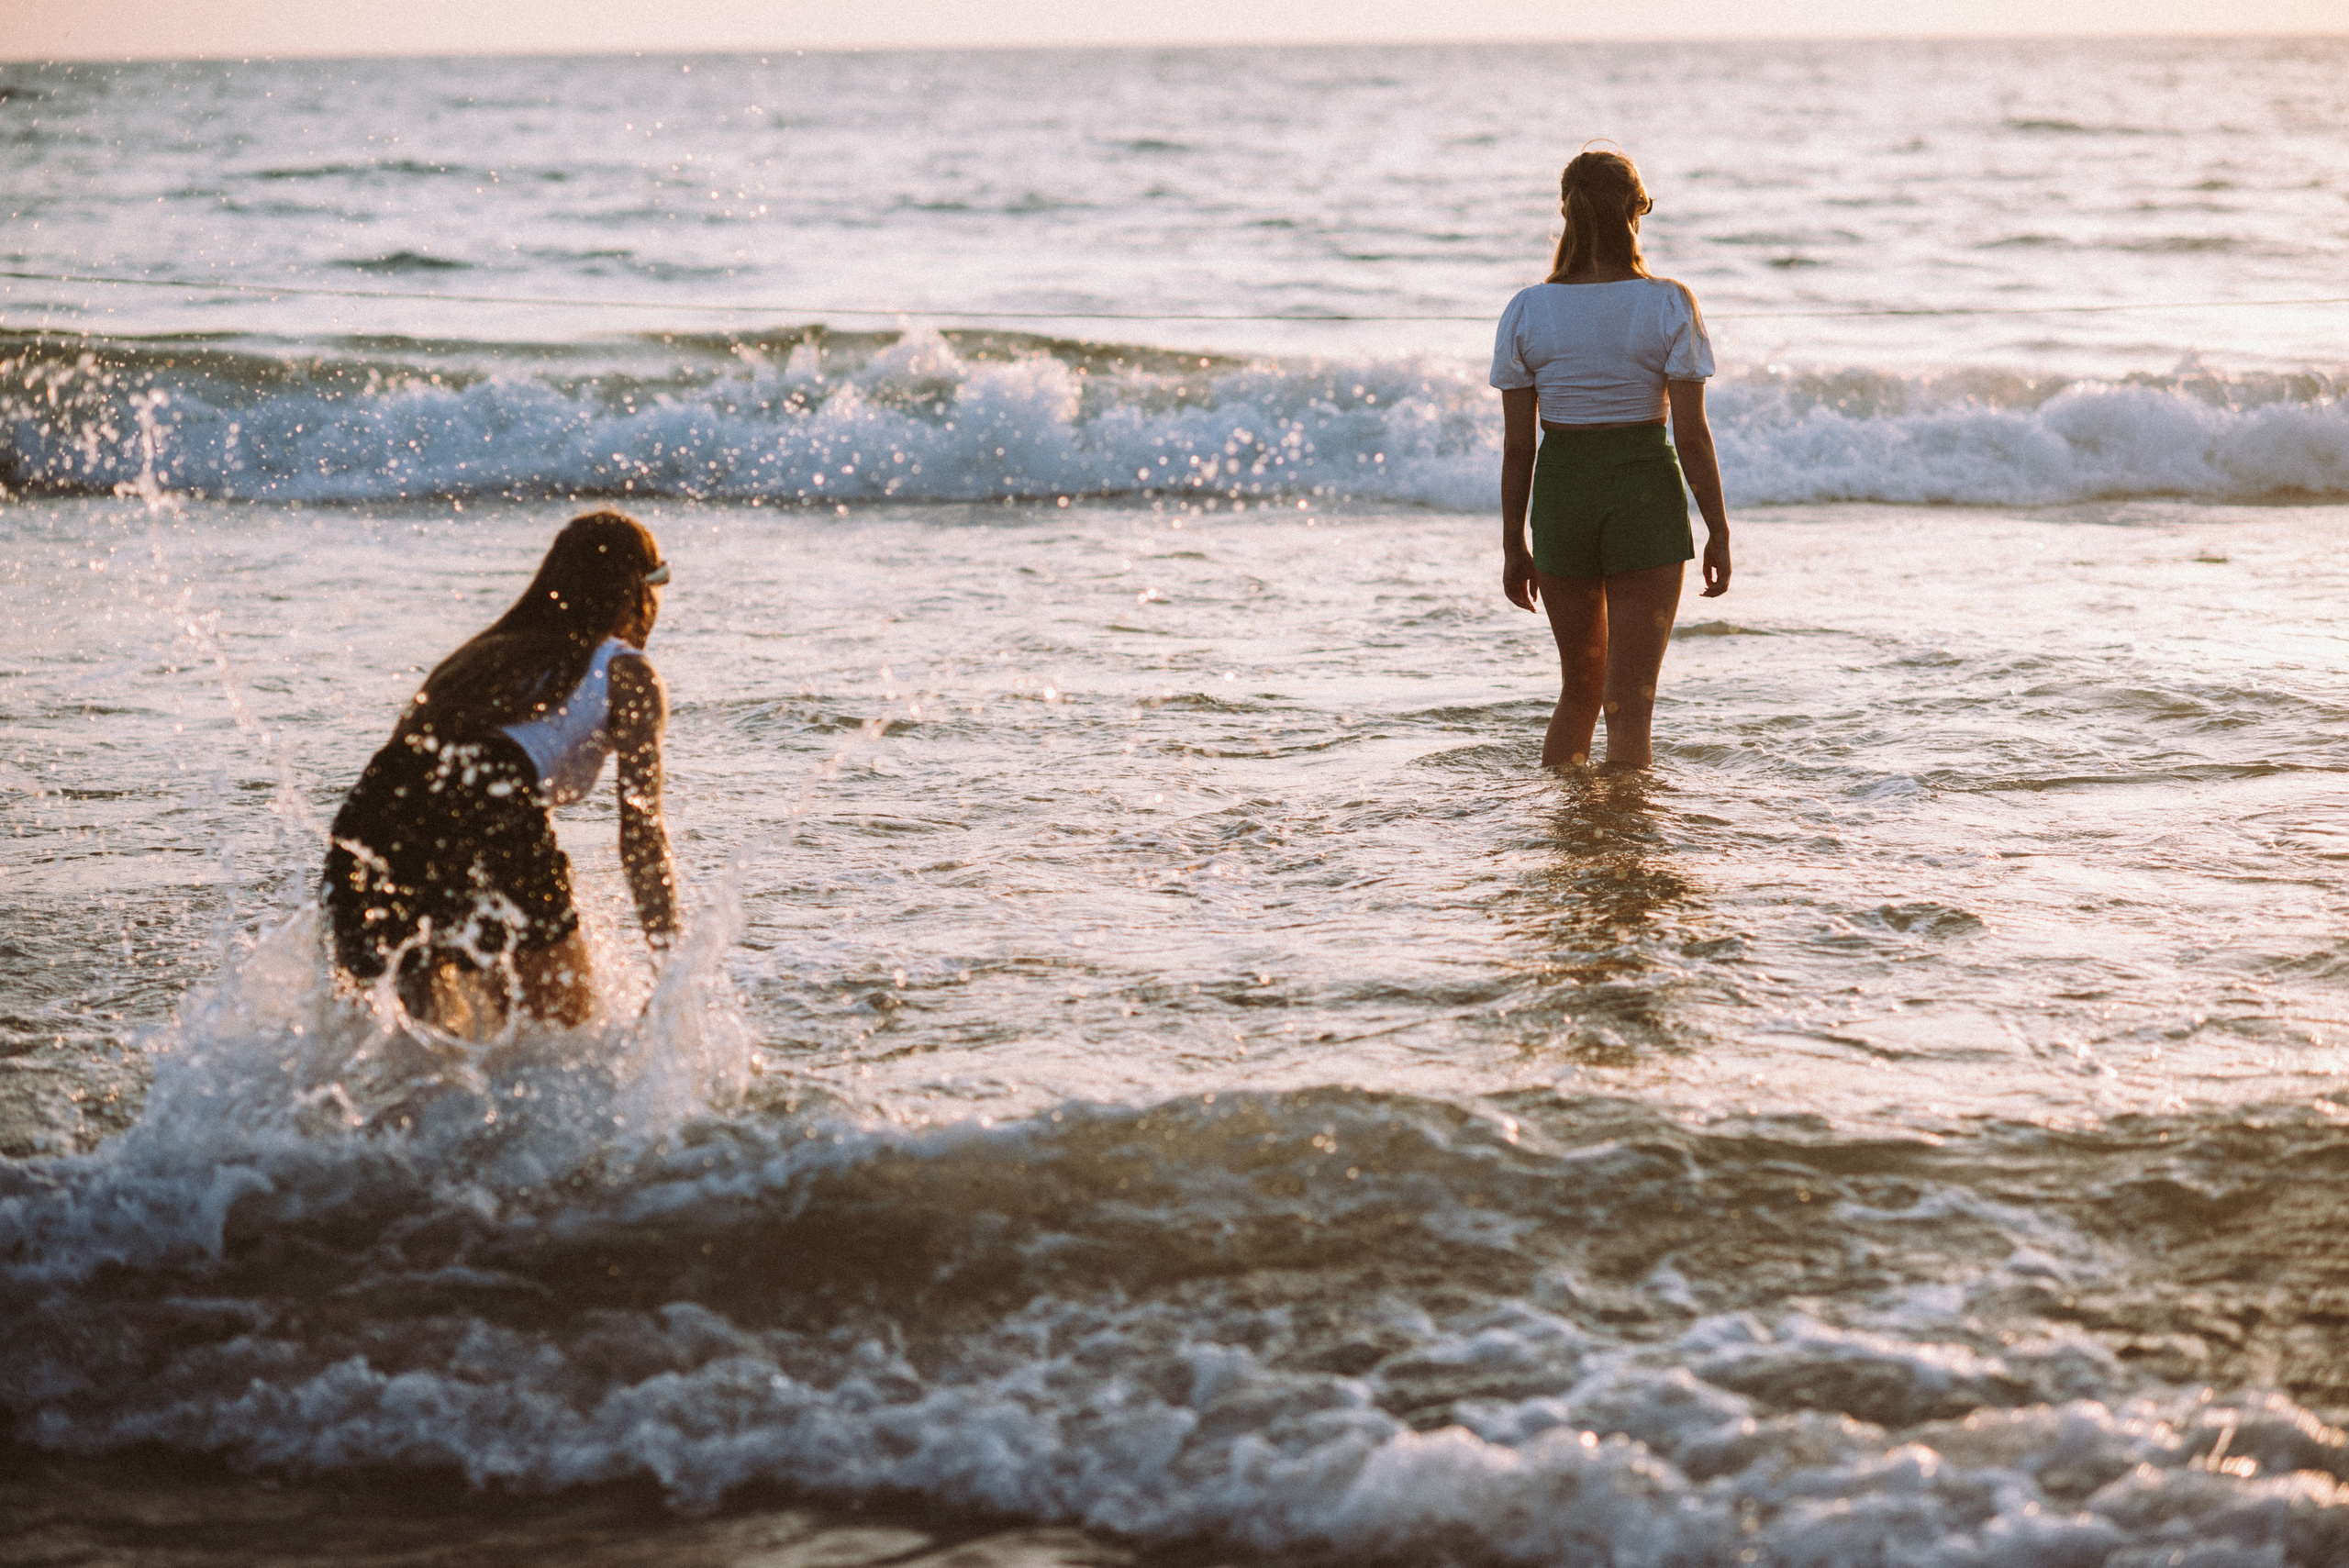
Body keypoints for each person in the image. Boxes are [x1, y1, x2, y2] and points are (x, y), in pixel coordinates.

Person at [322, 512, 679, 1036]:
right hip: (490, 801)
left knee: (426, 1050)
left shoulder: (477, 660)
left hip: (374, 818)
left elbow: (416, 766)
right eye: (659, 581)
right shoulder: (626, 672)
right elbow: (641, 832)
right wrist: (670, 966)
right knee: (564, 1039)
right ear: (636, 591)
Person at [1491, 149, 1731, 771]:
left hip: (1563, 497)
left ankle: (1563, 829)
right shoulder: (1669, 303)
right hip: (1643, 497)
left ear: (1567, 216)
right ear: (1634, 211)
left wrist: (1514, 543)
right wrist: (1718, 528)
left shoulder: (1526, 310)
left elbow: (1519, 448)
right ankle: (1625, 849)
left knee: (1581, 689)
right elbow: (1692, 435)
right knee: (1631, 702)